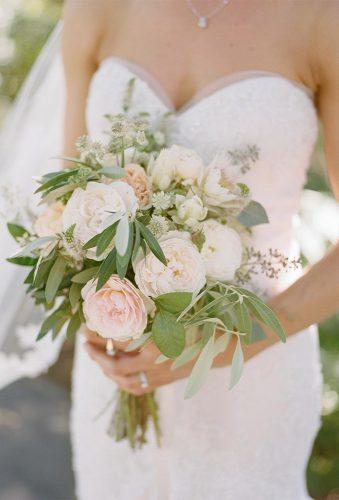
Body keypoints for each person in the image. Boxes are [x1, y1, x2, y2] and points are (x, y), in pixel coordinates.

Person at [5, 1, 339, 498]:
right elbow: (69, 197)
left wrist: (231, 344)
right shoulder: (95, 8)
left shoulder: (321, 16)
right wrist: (102, 307)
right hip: (121, 365)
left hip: (253, 376)